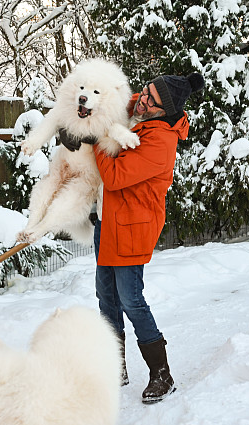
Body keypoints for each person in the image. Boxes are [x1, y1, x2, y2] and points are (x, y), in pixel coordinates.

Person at [65, 72, 204, 404]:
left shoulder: (161, 141)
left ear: (162, 110)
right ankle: (115, 367)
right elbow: (112, 102)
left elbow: (114, 177)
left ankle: (162, 374)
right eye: (145, 91)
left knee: (131, 301)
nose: (141, 99)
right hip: (108, 222)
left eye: (150, 99)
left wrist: (96, 138)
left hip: (132, 227)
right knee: (106, 299)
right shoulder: (142, 111)